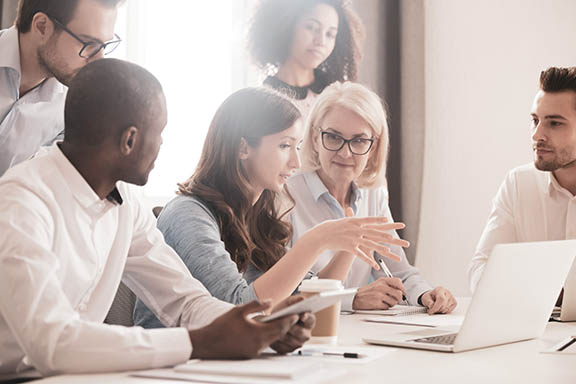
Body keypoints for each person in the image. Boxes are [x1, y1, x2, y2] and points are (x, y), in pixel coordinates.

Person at [0, 59, 314, 377]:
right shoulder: (21, 202)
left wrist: (262, 325)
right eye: (159, 133)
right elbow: (53, 345)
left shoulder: (126, 203)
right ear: (130, 140)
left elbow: (185, 301)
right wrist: (197, 342)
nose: (162, 145)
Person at [133, 86, 408, 328]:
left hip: (226, 361)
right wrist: (315, 241)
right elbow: (239, 308)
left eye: (297, 146)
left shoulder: (254, 216)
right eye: (284, 145)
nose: (296, 162)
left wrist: (349, 242)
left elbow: (310, 298)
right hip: (172, 366)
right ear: (243, 148)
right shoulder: (188, 215)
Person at [288, 81, 457, 314]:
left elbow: (399, 272)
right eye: (334, 138)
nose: (345, 153)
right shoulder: (285, 194)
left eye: (358, 141)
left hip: (355, 335)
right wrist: (352, 299)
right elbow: (285, 292)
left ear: (373, 147)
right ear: (316, 139)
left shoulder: (373, 195)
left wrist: (426, 295)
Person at [469, 66, 576, 292]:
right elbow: (480, 274)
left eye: (554, 123)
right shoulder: (519, 183)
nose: (537, 135)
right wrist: (547, 294)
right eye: (535, 120)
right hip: (542, 327)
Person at [0, 0, 122, 176]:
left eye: (103, 46)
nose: (99, 60)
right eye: (88, 44)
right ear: (42, 26)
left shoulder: (72, 107)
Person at [248, 0, 364, 117]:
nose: (321, 41)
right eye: (311, 27)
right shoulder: (262, 102)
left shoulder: (337, 95)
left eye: (330, 34)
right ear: (287, 26)